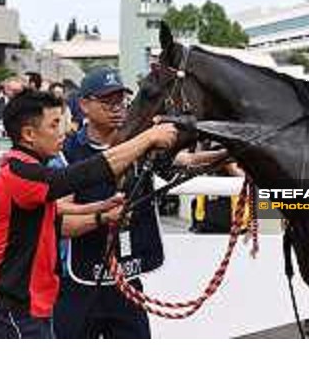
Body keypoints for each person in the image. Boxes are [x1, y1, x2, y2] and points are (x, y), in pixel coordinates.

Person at [0, 89, 178, 339]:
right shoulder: (21, 172)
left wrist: (101, 212)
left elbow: (53, 220)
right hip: (12, 308)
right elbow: (82, 175)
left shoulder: (27, 169)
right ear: (28, 134)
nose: (63, 130)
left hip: (29, 307)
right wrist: (148, 138)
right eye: (54, 124)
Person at [54, 67, 224, 339]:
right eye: (107, 101)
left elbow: (187, 162)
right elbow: (61, 223)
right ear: (84, 104)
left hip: (127, 284)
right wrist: (103, 217)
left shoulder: (142, 145)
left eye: (121, 100)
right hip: (79, 284)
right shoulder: (66, 154)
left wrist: (233, 152)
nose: (117, 108)